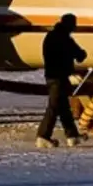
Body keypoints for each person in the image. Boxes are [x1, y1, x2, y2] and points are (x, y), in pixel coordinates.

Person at [36, 13, 88, 148]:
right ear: (69, 24)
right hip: (58, 77)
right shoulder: (64, 38)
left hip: (52, 76)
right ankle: (43, 136)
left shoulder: (51, 36)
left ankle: (72, 136)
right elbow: (79, 55)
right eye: (74, 24)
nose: (75, 27)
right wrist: (82, 54)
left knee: (63, 107)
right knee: (54, 107)